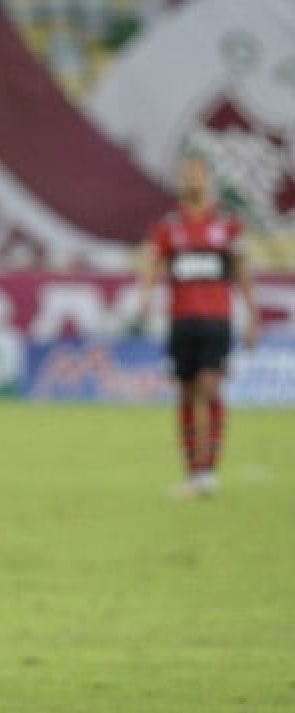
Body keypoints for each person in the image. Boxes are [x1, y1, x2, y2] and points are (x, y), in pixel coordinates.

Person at [137, 152, 259, 498]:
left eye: (198, 174)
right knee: (187, 394)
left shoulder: (228, 225)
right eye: (187, 174)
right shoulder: (168, 227)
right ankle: (193, 473)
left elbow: (242, 272)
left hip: (217, 321)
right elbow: (155, 266)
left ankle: (209, 471)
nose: (192, 180)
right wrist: (146, 297)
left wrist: (253, 314)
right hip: (182, 321)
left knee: (210, 388)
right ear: (179, 182)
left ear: (208, 179)